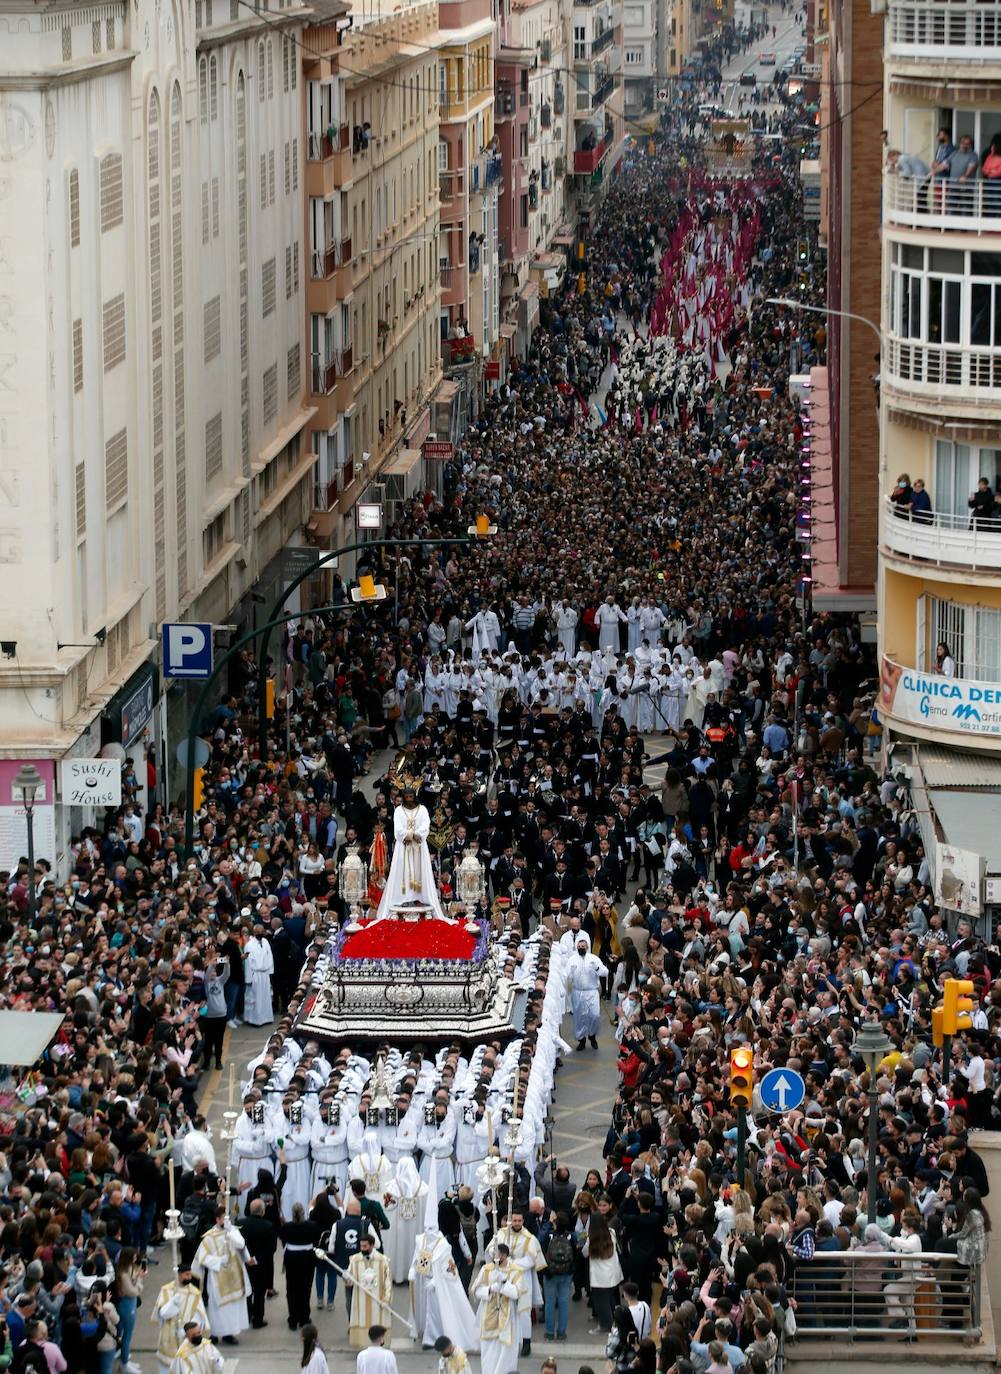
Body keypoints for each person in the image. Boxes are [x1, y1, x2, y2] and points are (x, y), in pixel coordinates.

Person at [377, 786, 446, 917]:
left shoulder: (423, 809)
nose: (409, 799)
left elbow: (425, 826)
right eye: (406, 797)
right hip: (403, 846)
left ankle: (420, 896)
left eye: (411, 796)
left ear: (414, 796)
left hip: (419, 847)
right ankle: (403, 898)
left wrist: (416, 835)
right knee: (403, 871)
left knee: (420, 871)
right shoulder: (398, 810)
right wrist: (410, 835)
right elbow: (397, 828)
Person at [191, 1206, 252, 1345]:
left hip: (234, 1275)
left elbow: (241, 1244)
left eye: (226, 1218)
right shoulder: (209, 1237)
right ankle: (215, 1334)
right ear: (217, 1219)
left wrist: (231, 1231)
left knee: (232, 1308)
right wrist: (218, 1261)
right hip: (217, 1277)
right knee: (217, 1308)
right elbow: (203, 1258)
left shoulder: (233, 1231)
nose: (224, 1221)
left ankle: (229, 1334)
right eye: (222, 1218)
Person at [473, 1245, 523, 1374]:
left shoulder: (515, 1271)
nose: (497, 1258)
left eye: (500, 1255)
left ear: (506, 1255)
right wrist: (490, 1289)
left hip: (507, 1319)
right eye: (495, 1255)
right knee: (489, 1356)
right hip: (489, 1316)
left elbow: (517, 1293)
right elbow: (476, 1291)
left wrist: (505, 1283)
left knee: (506, 1355)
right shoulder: (486, 1269)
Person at [151, 1265, 209, 1374]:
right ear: (178, 1275)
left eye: (190, 1274)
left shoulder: (195, 1293)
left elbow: (199, 1316)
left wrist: (186, 1331)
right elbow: (162, 1313)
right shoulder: (166, 1290)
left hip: (187, 1337)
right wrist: (172, 1305)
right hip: (169, 1336)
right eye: (186, 1274)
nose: (189, 1277)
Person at [346, 1234, 394, 1349]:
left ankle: (380, 1345)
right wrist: (346, 1276)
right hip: (361, 1299)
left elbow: (388, 1281)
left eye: (365, 1246)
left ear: (372, 1245)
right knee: (362, 1320)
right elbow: (350, 1281)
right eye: (361, 1246)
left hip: (378, 1300)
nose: (362, 1249)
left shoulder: (383, 1260)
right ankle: (363, 1346)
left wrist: (386, 1299)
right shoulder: (355, 1260)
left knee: (377, 1321)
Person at [238, 1196, 278, 1329]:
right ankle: (258, 1319)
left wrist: (246, 1258)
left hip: (244, 1264)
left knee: (247, 1292)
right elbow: (272, 1248)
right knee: (259, 1293)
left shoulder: (240, 1223)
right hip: (261, 1265)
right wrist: (256, 1259)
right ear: (262, 1212)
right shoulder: (268, 1226)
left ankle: (247, 1315)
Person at [280, 1201, 321, 1331]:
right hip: (307, 1258)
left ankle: (293, 1318)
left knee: (291, 1290)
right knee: (305, 1289)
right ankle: (304, 1318)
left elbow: (283, 1241)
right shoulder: (312, 1226)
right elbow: (316, 1240)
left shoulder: (286, 1226)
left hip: (291, 1259)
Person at [566, 935, 603, 1051]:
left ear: (587, 947)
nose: (581, 948)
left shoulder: (594, 959)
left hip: (591, 991)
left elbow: (604, 972)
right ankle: (581, 1039)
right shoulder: (571, 960)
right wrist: (570, 972)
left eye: (583, 946)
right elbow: (565, 975)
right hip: (577, 992)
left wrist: (596, 968)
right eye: (579, 946)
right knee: (579, 1017)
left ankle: (592, 1035)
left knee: (595, 1015)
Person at [543, 1210, 575, 1341]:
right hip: (566, 1272)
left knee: (550, 1302)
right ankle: (561, 1332)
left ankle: (549, 1332)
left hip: (550, 1272)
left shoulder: (549, 1235)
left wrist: (549, 1224)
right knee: (563, 1302)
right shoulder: (571, 1236)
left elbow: (542, 1244)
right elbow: (575, 1252)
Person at [112, 1247, 144, 1374]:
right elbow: (133, 1292)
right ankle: (124, 1365)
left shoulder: (127, 1269)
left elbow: (132, 1284)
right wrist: (140, 1281)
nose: (136, 1259)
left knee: (126, 1335)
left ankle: (125, 1360)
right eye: (134, 1257)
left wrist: (136, 1279)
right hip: (127, 1306)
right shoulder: (123, 1274)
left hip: (130, 1304)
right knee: (127, 1336)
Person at [243, 925, 275, 1026]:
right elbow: (248, 963)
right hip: (255, 974)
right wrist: (249, 979)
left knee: (266, 997)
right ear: (254, 932)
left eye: (262, 931)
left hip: (265, 974)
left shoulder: (265, 941)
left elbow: (270, 955)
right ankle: (254, 1020)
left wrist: (270, 971)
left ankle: (267, 1017)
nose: (260, 934)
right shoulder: (249, 945)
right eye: (258, 932)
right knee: (255, 998)